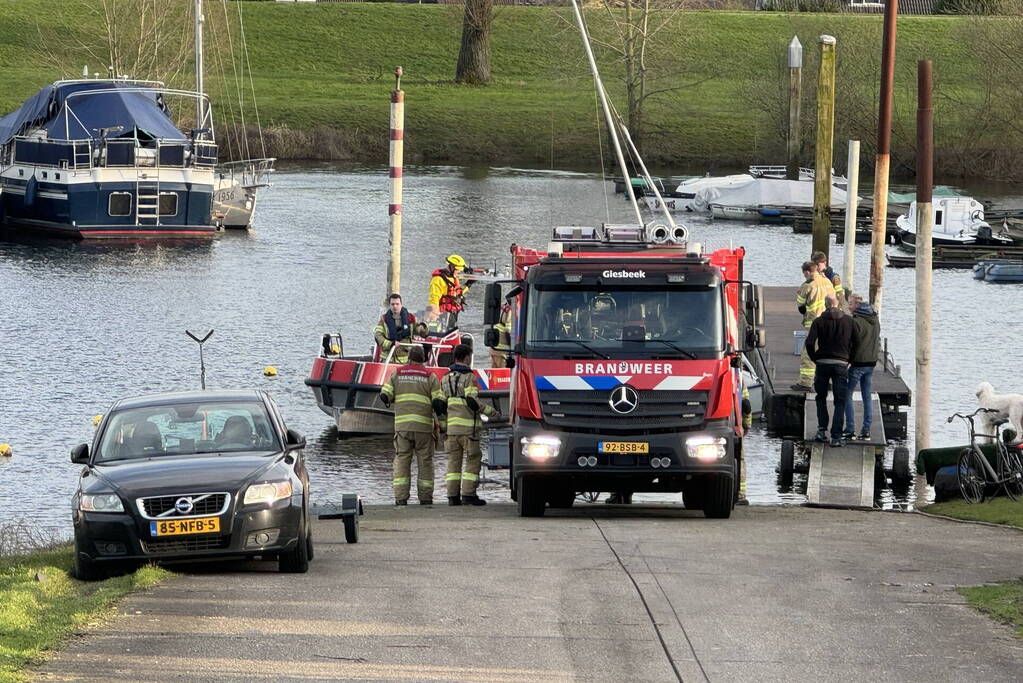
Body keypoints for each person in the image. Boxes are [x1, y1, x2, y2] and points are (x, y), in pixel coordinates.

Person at [379, 345, 446, 505]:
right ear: (424, 359)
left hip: (403, 427)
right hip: (424, 427)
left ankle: (401, 498)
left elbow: (385, 394)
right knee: (425, 462)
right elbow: (438, 401)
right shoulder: (430, 376)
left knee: (402, 460)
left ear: (409, 358)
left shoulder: (397, 373)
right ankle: (425, 498)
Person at [442, 344, 500, 506]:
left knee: (454, 463)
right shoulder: (469, 377)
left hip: (452, 429)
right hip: (469, 429)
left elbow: (439, 403)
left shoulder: (445, 378)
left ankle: (452, 497)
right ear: (467, 357)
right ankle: (468, 494)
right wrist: (492, 412)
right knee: (473, 460)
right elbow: (473, 401)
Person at [805, 295, 857, 447]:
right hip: (841, 364)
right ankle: (836, 436)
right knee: (840, 401)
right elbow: (857, 342)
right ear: (839, 304)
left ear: (825, 305)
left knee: (821, 397)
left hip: (822, 363)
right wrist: (850, 360)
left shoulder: (818, 321)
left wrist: (815, 358)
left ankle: (821, 431)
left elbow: (809, 342)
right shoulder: (849, 321)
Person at [843, 292, 881, 440]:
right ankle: (866, 430)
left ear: (857, 305)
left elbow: (851, 343)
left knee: (847, 394)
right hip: (871, 363)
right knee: (867, 396)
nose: (849, 307)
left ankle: (850, 429)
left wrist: (847, 359)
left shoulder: (856, 321)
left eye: (851, 304)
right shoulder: (875, 319)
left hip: (858, 363)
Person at [792, 261, 835, 391]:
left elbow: (801, 305)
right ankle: (829, 381)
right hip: (831, 321)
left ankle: (805, 382)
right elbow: (834, 298)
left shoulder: (808, 285)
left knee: (808, 353)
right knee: (828, 351)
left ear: (806, 272)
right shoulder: (827, 281)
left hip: (815, 323)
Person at [428, 254, 472, 327]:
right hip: (442, 314)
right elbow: (434, 299)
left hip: (452, 313)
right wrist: (434, 316)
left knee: (452, 331)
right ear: (452, 267)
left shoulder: (453, 277)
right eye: (458, 270)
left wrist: (468, 284)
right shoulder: (438, 280)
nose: (459, 272)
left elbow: (456, 293)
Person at [374, 293, 417, 362]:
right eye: (392, 304)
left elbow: (418, 331)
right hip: (388, 359)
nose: (395, 306)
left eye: (397, 304)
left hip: (405, 360)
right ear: (389, 305)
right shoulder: (384, 319)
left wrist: (423, 329)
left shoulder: (410, 318)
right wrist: (390, 344)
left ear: (401, 305)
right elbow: (378, 336)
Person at [490, 301, 512, 368]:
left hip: (494, 349)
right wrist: (512, 348)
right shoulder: (511, 311)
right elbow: (508, 331)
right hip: (503, 352)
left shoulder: (504, 307)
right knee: (504, 375)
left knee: (495, 375)